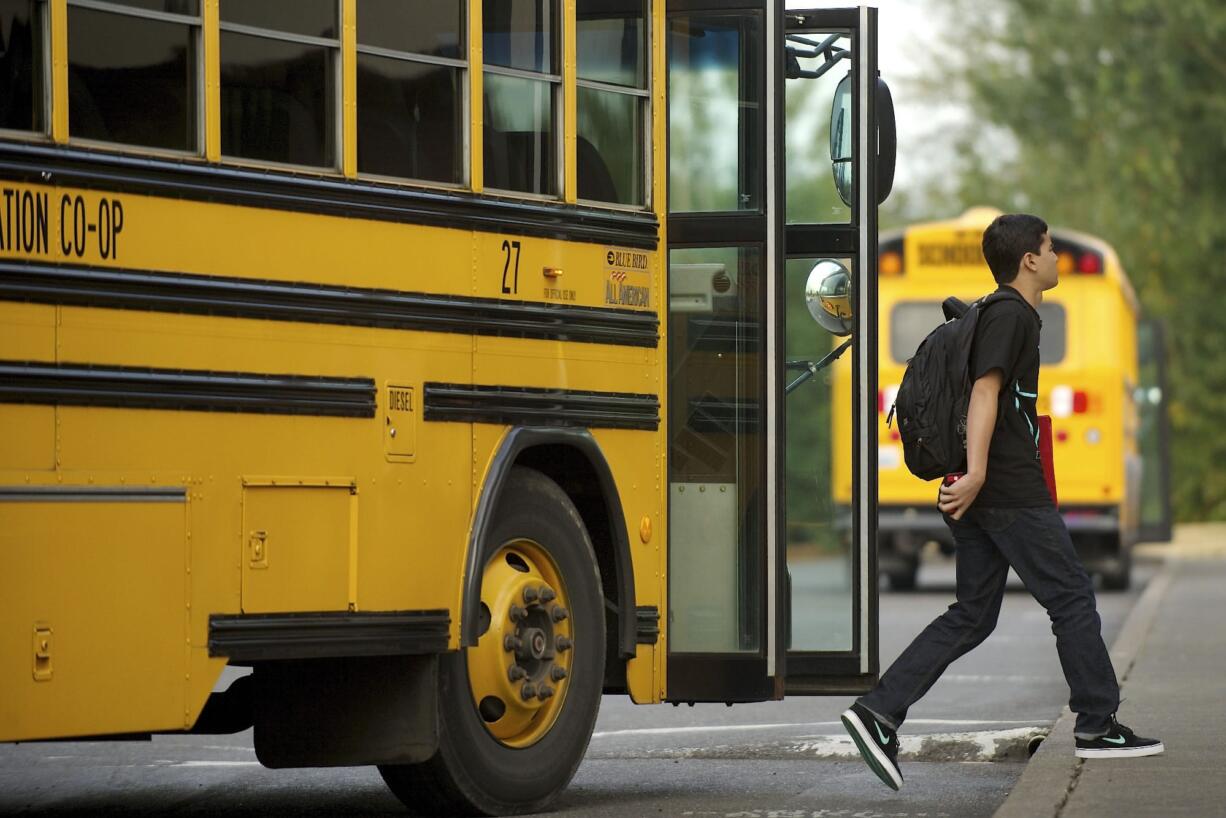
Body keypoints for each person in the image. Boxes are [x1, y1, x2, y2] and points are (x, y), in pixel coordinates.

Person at [841, 213, 1164, 791]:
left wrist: (971, 476)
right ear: (1030, 261)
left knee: (973, 613)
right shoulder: (1012, 315)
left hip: (988, 487)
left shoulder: (998, 313)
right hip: (1006, 489)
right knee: (1071, 598)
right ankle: (1097, 724)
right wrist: (980, 473)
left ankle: (878, 712)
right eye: (1049, 247)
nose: (1057, 256)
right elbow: (987, 393)